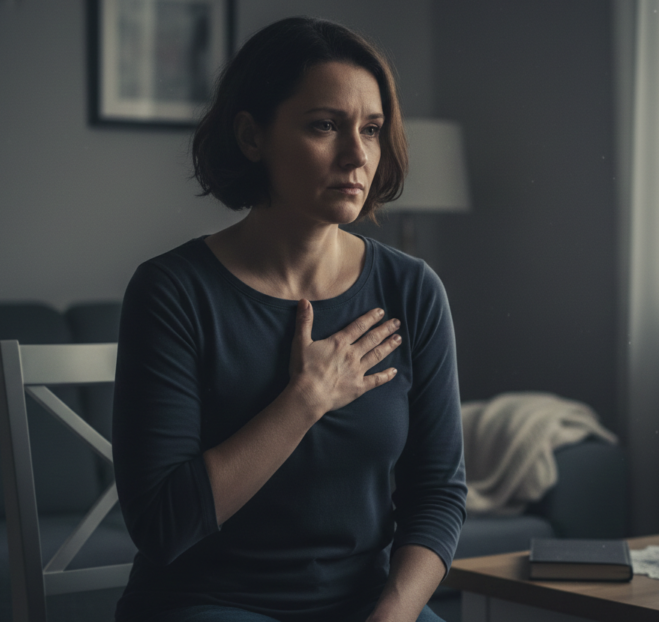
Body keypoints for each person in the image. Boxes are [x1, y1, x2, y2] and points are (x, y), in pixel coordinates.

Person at [112, 16, 466, 622]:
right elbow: (162, 526)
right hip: (206, 604)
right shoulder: (172, 291)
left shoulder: (412, 291)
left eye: (372, 129)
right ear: (252, 137)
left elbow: (437, 494)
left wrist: (393, 614)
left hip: (364, 607)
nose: (358, 155)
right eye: (324, 125)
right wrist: (306, 400)